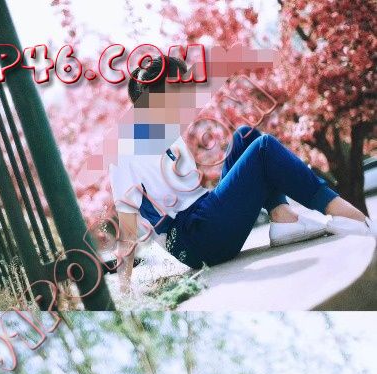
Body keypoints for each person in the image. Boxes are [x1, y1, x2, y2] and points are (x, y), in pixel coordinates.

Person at [110, 56, 377, 293]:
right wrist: (125, 291)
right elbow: (127, 229)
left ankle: (283, 218)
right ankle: (348, 214)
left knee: (246, 136)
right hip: (193, 238)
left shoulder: (166, 131)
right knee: (263, 149)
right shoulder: (125, 151)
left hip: (203, 219)